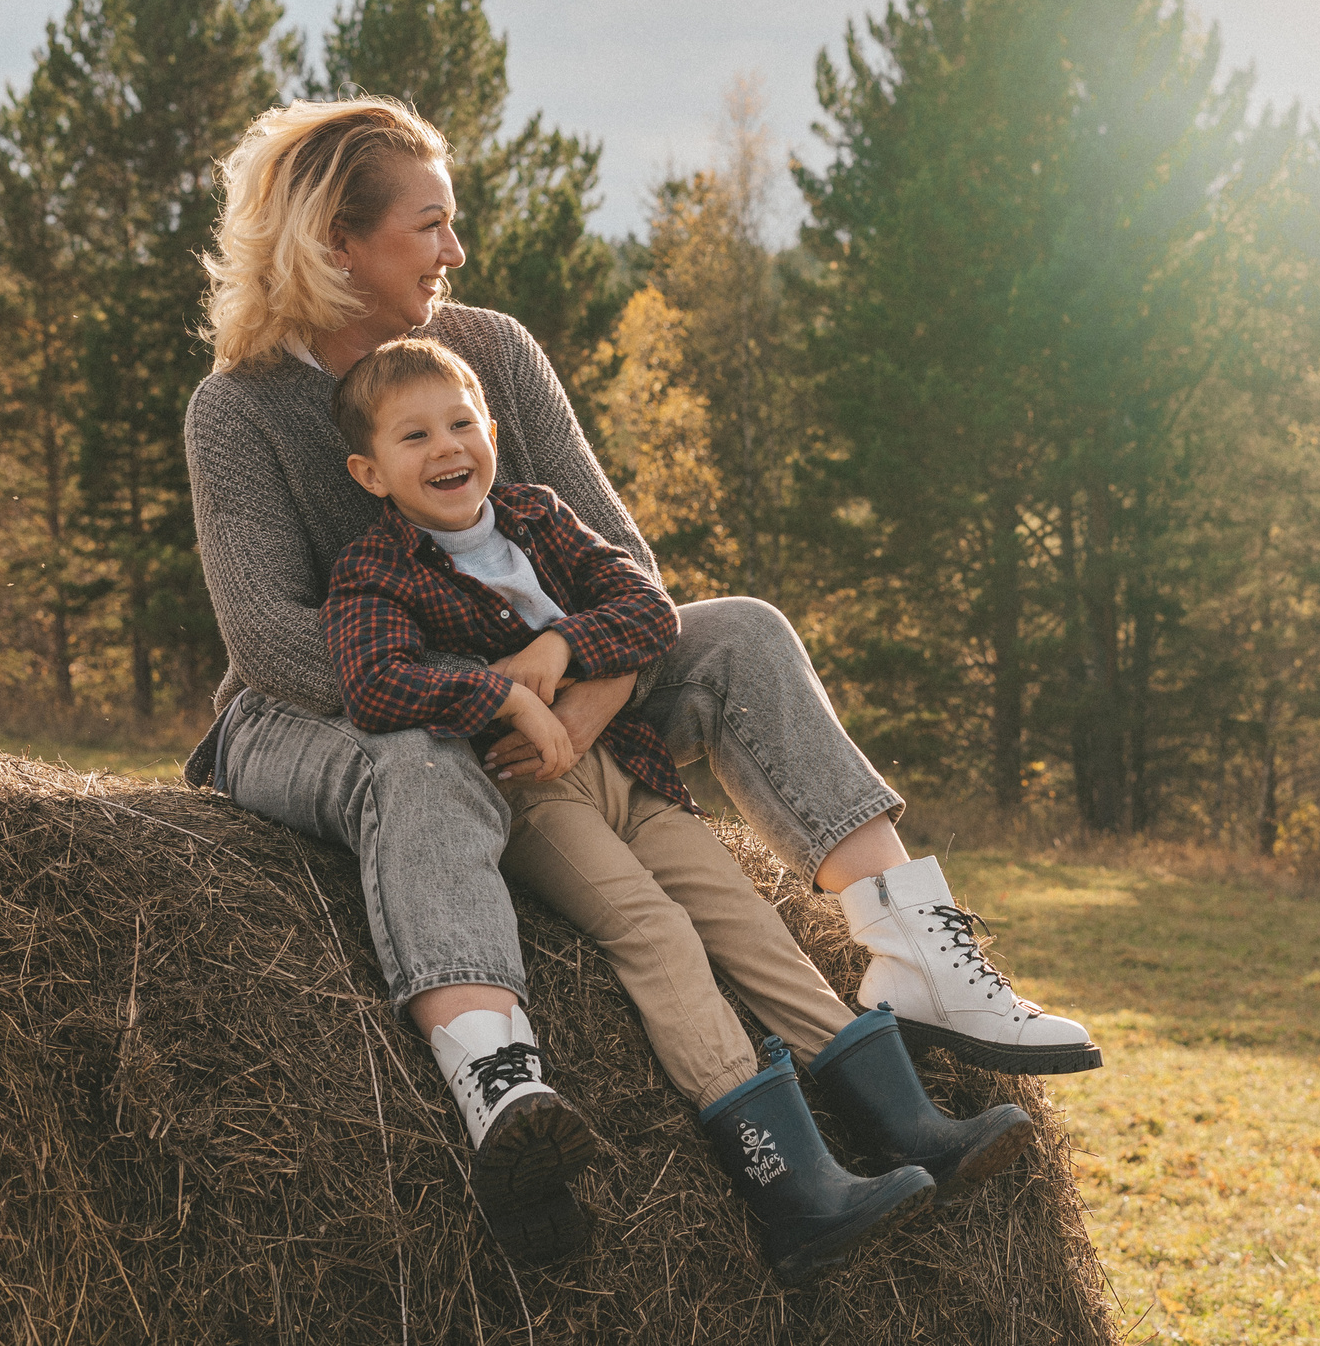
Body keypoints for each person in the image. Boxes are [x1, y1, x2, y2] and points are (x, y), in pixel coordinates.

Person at [181, 96, 1096, 1259]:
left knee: (744, 629)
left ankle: (915, 945)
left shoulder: (495, 352)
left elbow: (635, 579)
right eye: (430, 226)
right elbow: (274, 642)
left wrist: (569, 698)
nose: (456, 252)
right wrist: (492, 696)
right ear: (335, 241)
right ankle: (499, 1084)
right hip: (321, 711)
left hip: (548, 694)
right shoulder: (241, 407)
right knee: (415, 758)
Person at [321, 338, 1031, 1282]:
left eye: (460, 423)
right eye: (415, 435)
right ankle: (793, 1189)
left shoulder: (538, 516)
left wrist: (559, 650)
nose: (446, 446)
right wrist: (499, 696)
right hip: (532, 791)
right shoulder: (376, 570)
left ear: (491, 431)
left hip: (632, 765)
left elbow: (649, 608)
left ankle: (909, 1126)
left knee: (746, 916)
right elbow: (373, 683)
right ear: (370, 471)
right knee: (654, 931)